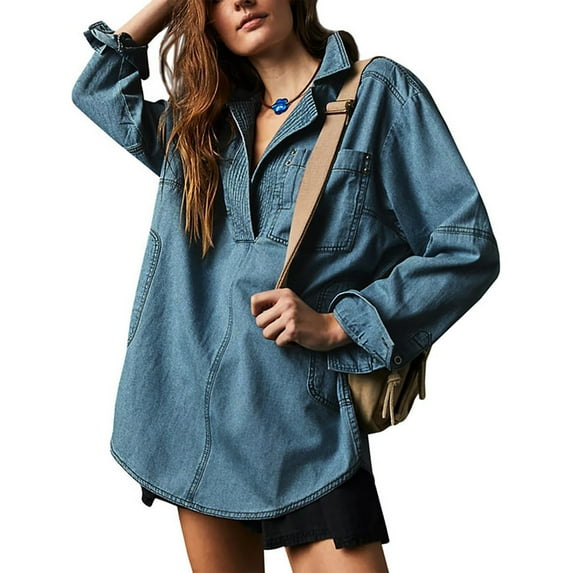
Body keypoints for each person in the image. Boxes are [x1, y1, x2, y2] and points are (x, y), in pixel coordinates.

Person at [72, 0, 499, 571]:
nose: (241, 1)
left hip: (306, 421)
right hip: (195, 417)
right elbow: (98, 91)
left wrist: (340, 323)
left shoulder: (377, 95)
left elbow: (465, 246)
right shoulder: (202, 124)